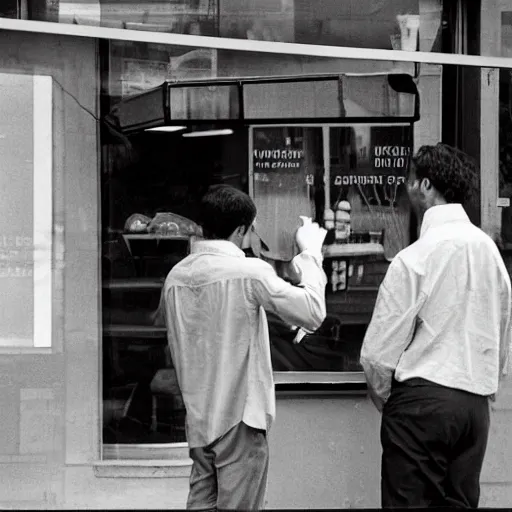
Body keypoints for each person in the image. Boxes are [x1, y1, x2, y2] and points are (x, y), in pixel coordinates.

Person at [360, 143, 512, 509]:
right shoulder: (489, 251)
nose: (408, 189)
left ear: (426, 186)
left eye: (411, 181)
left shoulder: (415, 257)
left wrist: (393, 402)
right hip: (474, 405)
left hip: (422, 402)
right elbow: (503, 327)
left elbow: (377, 357)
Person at [159, 184, 327, 510]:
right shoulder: (248, 272)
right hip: (239, 424)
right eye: (251, 230)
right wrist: (310, 254)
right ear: (240, 230)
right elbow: (313, 312)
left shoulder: (175, 277)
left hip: (198, 422)